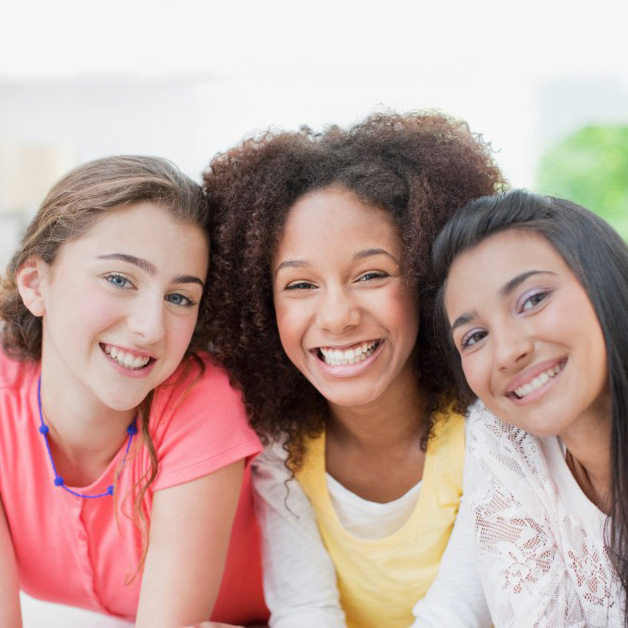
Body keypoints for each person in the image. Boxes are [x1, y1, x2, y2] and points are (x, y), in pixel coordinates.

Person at [203, 111, 503, 628]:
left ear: (428, 278)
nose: (338, 315)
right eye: (300, 285)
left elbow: (454, 616)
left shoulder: (490, 434)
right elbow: (304, 612)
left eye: (371, 274)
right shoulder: (281, 448)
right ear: (259, 305)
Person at [0, 155, 267, 628]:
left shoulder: (201, 402)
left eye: (179, 298)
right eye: (120, 279)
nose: (149, 328)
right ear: (35, 283)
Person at [432, 189, 627, 627]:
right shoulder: (502, 438)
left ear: (604, 280)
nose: (507, 352)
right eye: (474, 336)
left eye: (534, 299)